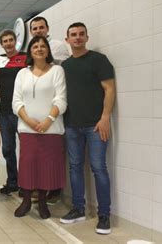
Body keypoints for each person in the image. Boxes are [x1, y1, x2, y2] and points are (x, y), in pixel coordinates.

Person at [59, 22, 115, 235]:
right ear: (67, 40)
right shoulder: (64, 66)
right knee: (74, 168)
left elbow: (109, 89)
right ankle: (78, 209)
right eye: (73, 35)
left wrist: (105, 117)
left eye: (81, 34)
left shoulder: (98, 60)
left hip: (95, 126)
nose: (77, 38)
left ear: (87, 37)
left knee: (99, 169)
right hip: (72, 125)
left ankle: (104, 215)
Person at [12, 36, 67, 219]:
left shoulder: (57, 71)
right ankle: (26, 201)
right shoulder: (22, 74)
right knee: (28, 165)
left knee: (46, 167)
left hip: (51, 130)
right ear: (30, 51)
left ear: (48, 50)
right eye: (35, 46)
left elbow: (61, 99)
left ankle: (42, 202)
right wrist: (28, 120)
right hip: (27, 129)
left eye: (43, 46)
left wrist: (48, 119)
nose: (39, 49)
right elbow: (16, 101)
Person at [29, 16, 70, 204]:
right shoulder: (29, 52)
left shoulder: (58, 46)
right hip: (34, 112)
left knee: (52, 154)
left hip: (53, 108)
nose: (38, 31)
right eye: (35, 28)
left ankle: (52, 189)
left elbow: (60, 74)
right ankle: (39, 187)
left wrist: (50, 116)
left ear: (47, 28)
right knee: (37, 154)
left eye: (41, 27)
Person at [0, 29, 27, 195]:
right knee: (8, 148)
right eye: (5, 41)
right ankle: (13, 181)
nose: (8, 43)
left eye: (10, 40)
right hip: (5, 111)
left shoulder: (25, 58)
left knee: (26, 148)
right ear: (1, 44)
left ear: (16, 41)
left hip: (22, 111)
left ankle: (26, 184)